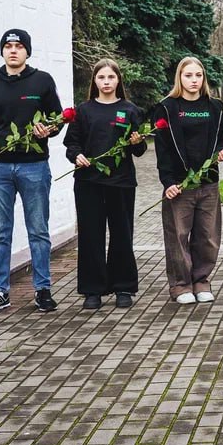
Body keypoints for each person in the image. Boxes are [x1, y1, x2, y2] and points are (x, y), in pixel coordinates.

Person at [0, 29, 66, 315]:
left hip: (34, 166)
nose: (13, 50)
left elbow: (58, 118)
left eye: (19, 46)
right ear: (2, 51)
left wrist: (48, 129)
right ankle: (0, 291)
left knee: (38, 230)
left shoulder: (42, 81)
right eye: (8, 46)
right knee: (0, 232)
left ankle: (43, 289)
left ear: (27, 51)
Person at [64, 59, 147, 311]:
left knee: (122, 234)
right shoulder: (83, 111)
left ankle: (123, 286)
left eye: (111, 77)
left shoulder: (131, 110)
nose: (107, 82)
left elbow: (141, 149)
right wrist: (76, 156)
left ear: (118, 80)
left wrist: (135, 141)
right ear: (95, 82)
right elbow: (72, 144)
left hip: (121, 183)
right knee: (91, 235)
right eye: (102, 78)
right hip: (89, 182)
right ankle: (93, 290)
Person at [156, 56, 223, 304]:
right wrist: (168, 182)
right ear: (180, 77)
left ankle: (201, 280)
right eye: (188, 75)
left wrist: (222, 151)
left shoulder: (215, 107)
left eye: (198, 75)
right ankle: (180, 285)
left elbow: (222, 139)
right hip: (179, 185)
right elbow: (163, 149)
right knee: (178, 236)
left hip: (208, 183)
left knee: (207, 236)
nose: (194, 80)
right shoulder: (167, 107)